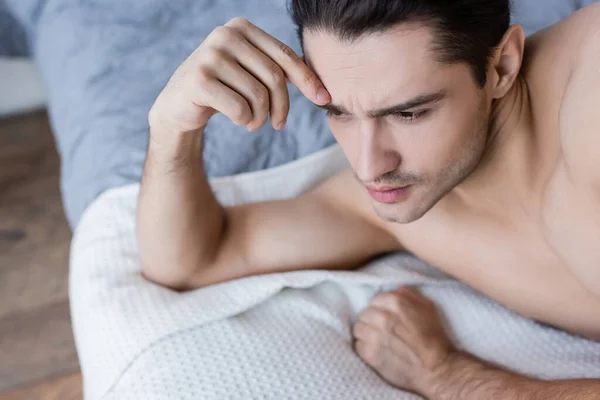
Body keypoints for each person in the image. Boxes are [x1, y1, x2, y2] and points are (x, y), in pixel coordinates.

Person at [137, 0, 600, 397]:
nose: (367, 166)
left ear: (501, 66)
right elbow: (192, 260)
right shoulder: (395, 200)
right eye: (337, 112)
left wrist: (447, 376)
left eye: (410, 112)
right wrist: (172, 133)